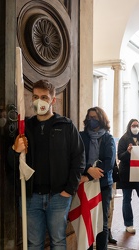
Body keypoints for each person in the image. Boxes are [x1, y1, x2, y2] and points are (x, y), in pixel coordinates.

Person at [8, 79, 85, 249]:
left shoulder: (65, 126)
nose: (39, 101)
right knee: (34, 243)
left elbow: (78, 158)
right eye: (35, 96)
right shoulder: (24, 127)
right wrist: (14, 149)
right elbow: (12, 163)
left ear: (53, 100)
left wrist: (69, 190)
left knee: (58, 241)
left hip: (58, 196)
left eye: (44, 97)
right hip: (30, 197)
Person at [79, 107, 116, 250]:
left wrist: (88, 176)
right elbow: (78, 157)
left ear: (101, 119)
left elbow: (109, 162)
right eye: (89, 117)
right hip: (85, 185)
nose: (91, 120)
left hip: (103, 185)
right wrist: (88, 169)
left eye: (94, 117)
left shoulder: (108, 138)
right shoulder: (82, 136)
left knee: (101, 223)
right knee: (87, 221)